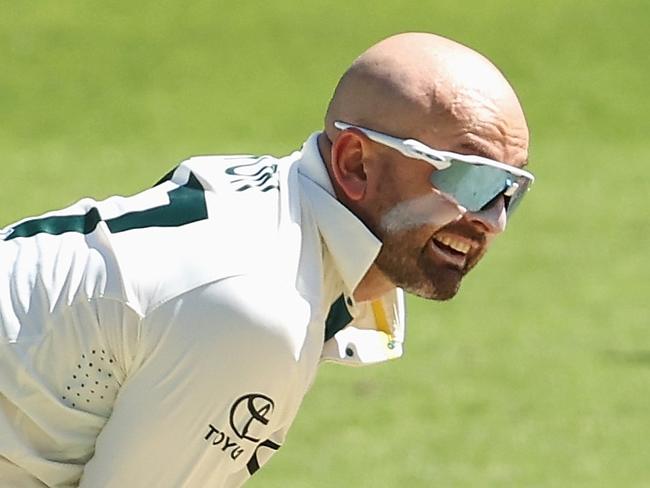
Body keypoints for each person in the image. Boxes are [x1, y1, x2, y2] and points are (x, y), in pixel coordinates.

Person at [0, 32, 533, 487]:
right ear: (354, 162)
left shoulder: (277, 209)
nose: (494, 219)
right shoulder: (259, 305)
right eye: (471, 179)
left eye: (511, 189)